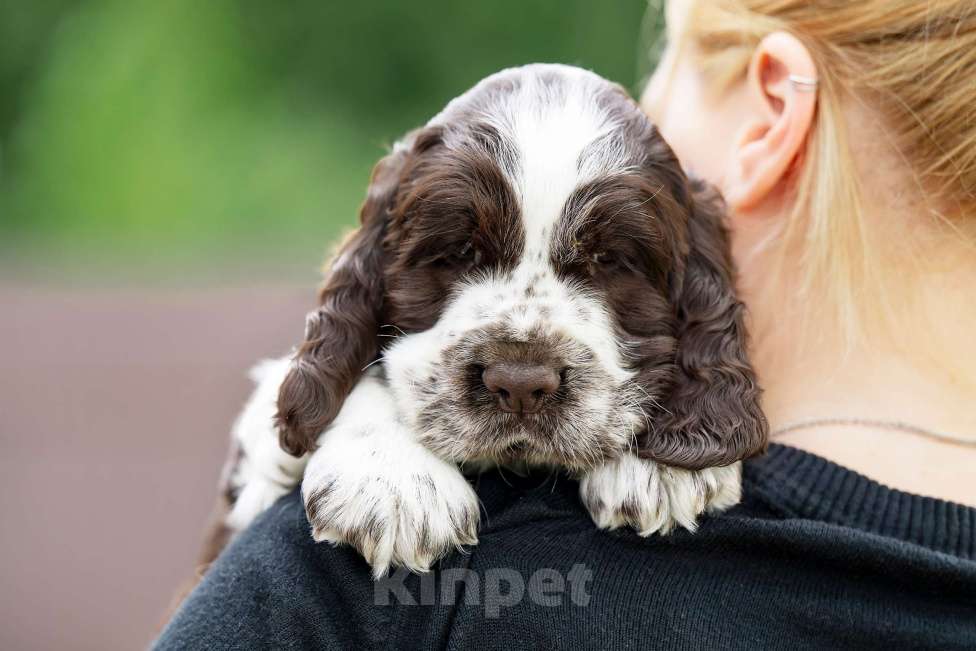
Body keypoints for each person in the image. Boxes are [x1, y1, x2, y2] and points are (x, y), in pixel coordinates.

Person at [155, 1, 976, 648]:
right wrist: (359, 417)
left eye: (609, 263)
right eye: (456, 258)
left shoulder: (402, 594)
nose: (523, 366)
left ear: (770, 114)